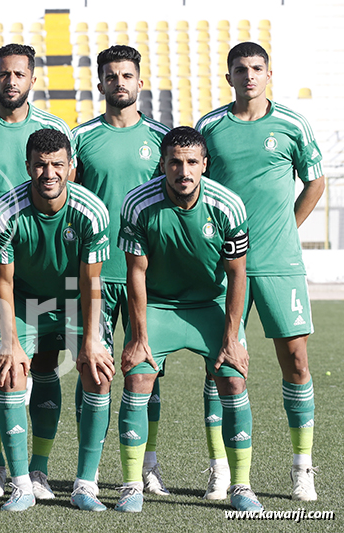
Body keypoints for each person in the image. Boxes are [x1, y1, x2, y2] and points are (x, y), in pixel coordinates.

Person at [196, 42, 324, 502]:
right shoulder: (210, 127)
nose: (248, 76)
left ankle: (302, 468)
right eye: (240, 69)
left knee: (296, 361)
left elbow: (315, 180)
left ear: (270, 74)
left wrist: (286, 227)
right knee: (221, 367)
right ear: (228, 76)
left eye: (256, 68)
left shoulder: (291, 123)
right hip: (222, 265)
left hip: (279, 264)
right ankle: (220, 468)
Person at [116, 126, 261, 513]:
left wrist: (231, 340)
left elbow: (236, 276)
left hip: (208, 304)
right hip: (160, 305)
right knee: (139, 373)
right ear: (162, 164)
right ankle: (132, 484)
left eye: (192, 162)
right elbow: (136, 274)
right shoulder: (137, 204)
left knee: (232, 377)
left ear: (204, 165)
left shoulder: (229, 206)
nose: (184, 171)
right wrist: (138, 337)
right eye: (175, 162)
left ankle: (240, 485)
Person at [0, 44, 72, 500]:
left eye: (20, 74)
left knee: (45, 366)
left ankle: (38, 470)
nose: (11, 81)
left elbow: (65, 196)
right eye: (4, 74)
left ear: (32, 78)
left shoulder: (55, 130)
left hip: (44, 266)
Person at [0, 129, 112, 511]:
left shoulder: (92, 211)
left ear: (71, 167)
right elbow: (2, 282)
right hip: (23, 302)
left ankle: (85, 485)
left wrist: (90, 342)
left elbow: (92, 284)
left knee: (98, 372)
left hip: (75, 299)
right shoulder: (3, 213)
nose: (49, 173)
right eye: (40, 165)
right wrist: (9, 342)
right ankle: (22, 484)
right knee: (10, 372)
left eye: (57, 164)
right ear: (27, 167)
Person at [71, 45, 170, 499]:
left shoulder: (163, 139)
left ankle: (145, 466)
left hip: (145, 278)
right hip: (93, 276)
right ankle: (86, 473)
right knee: (93, 373)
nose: (120, 83)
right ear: (100, 84)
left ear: (139, 82)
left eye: (127, 76)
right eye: (111, 77)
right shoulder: (81, 137)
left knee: (143, 373)